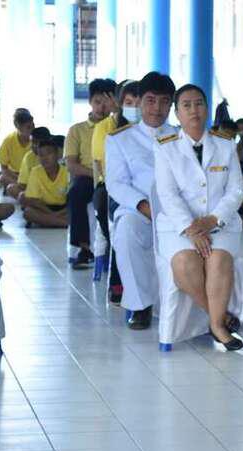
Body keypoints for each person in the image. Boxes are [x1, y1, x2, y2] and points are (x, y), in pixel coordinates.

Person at [154, 84, 243, 351]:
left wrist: (213, 219)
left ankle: (216, 326)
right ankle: (220, 318)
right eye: (186, 105)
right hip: (178, 227)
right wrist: (191, 229)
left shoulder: (225, 145)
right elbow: (167, 194)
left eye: (199, 104)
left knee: (218, 259)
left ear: (206, 108)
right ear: (177, 113)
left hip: (221, 225)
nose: (194, 110)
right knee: (185, 262)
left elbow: (236, 190)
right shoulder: (165, 148)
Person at [105, 71, 177, 330]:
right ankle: (140, 305)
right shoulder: (120, 139)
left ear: (171, 105)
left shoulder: (182, 137)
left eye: (164, 101)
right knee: (126, 231)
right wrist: (144, 206)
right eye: (150, 100)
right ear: (140, 101)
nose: (157, 108)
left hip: (177, 211)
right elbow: (116, 183)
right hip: (139, 209)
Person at [93, 79, 138, 304]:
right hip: (113, 187)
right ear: (120, 103)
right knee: (121, 219)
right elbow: (105, 168)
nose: (134, 108)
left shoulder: (155, 130)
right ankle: (118, 281)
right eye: (129, 102)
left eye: (139, 102)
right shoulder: (107, 129)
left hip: (147, 192)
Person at [65, 78, 115, 269]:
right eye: (97, 102)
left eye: (106, 102)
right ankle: (84, 248)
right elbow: (71, 164)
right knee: (76, 193)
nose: (102, 107)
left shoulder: (118, 127)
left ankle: (111, 247)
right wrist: (97, 175)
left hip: (116, 176)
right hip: (88, 176)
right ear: (90, 101)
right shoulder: (76, 130)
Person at [20, 135, 69, 228]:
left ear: (57, 154)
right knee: (27, 213)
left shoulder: (67, 172)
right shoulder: (35, 172)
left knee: (78, 209)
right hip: (43, 208)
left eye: (49, 153)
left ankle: (50, 221)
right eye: (41, 155)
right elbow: (33, 200)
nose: (45, 158)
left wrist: (59, 213)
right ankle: (64, 223)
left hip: (63, 209)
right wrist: (51, 213)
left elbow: (72, 200)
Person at [0, 109, 35, 192]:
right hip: (16, 175)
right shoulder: (8, 141)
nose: (32, 129)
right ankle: (27, 190)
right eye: (28, 127)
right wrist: (19, 180)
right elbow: (4, 168)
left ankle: (26, 191)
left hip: (33, 175)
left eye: (33, 125)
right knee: (2, 179)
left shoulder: (36, 139)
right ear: (18, 127)